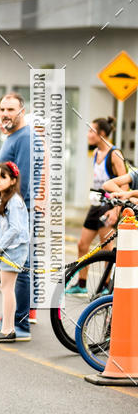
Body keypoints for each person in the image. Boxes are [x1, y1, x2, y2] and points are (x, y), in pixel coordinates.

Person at [0, 94, 33, 340]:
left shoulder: (24, 137)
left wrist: (5, 206)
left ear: (21, 111)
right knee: (11, 279)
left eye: (11, 109)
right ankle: (9, 322)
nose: (5, 113)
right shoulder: (13, 136)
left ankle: (19, 325)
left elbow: (22, 181)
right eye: (3, 109)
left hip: (14, 218)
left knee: (20, 274)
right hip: (5, 215)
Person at [66, 117, 125, 295]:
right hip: (96, 204)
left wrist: (116, 210)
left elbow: (124, 185)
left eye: (91, 131)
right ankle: (81, 284)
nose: (88, 134)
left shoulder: (115, 154)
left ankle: (107, 287)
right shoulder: (96, 152)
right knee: (82, 244)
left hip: (110, 206)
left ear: (102, 134)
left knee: (106, 248)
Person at [0, 162, 30, 342]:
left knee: (7, 288)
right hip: (8, 249)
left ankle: (8, 330)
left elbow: (15, 229)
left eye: (3, 177)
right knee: (6, 288)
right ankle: (7, 327)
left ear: (13, 181)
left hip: (14, 249)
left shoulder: (14, 201)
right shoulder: (1, 199)